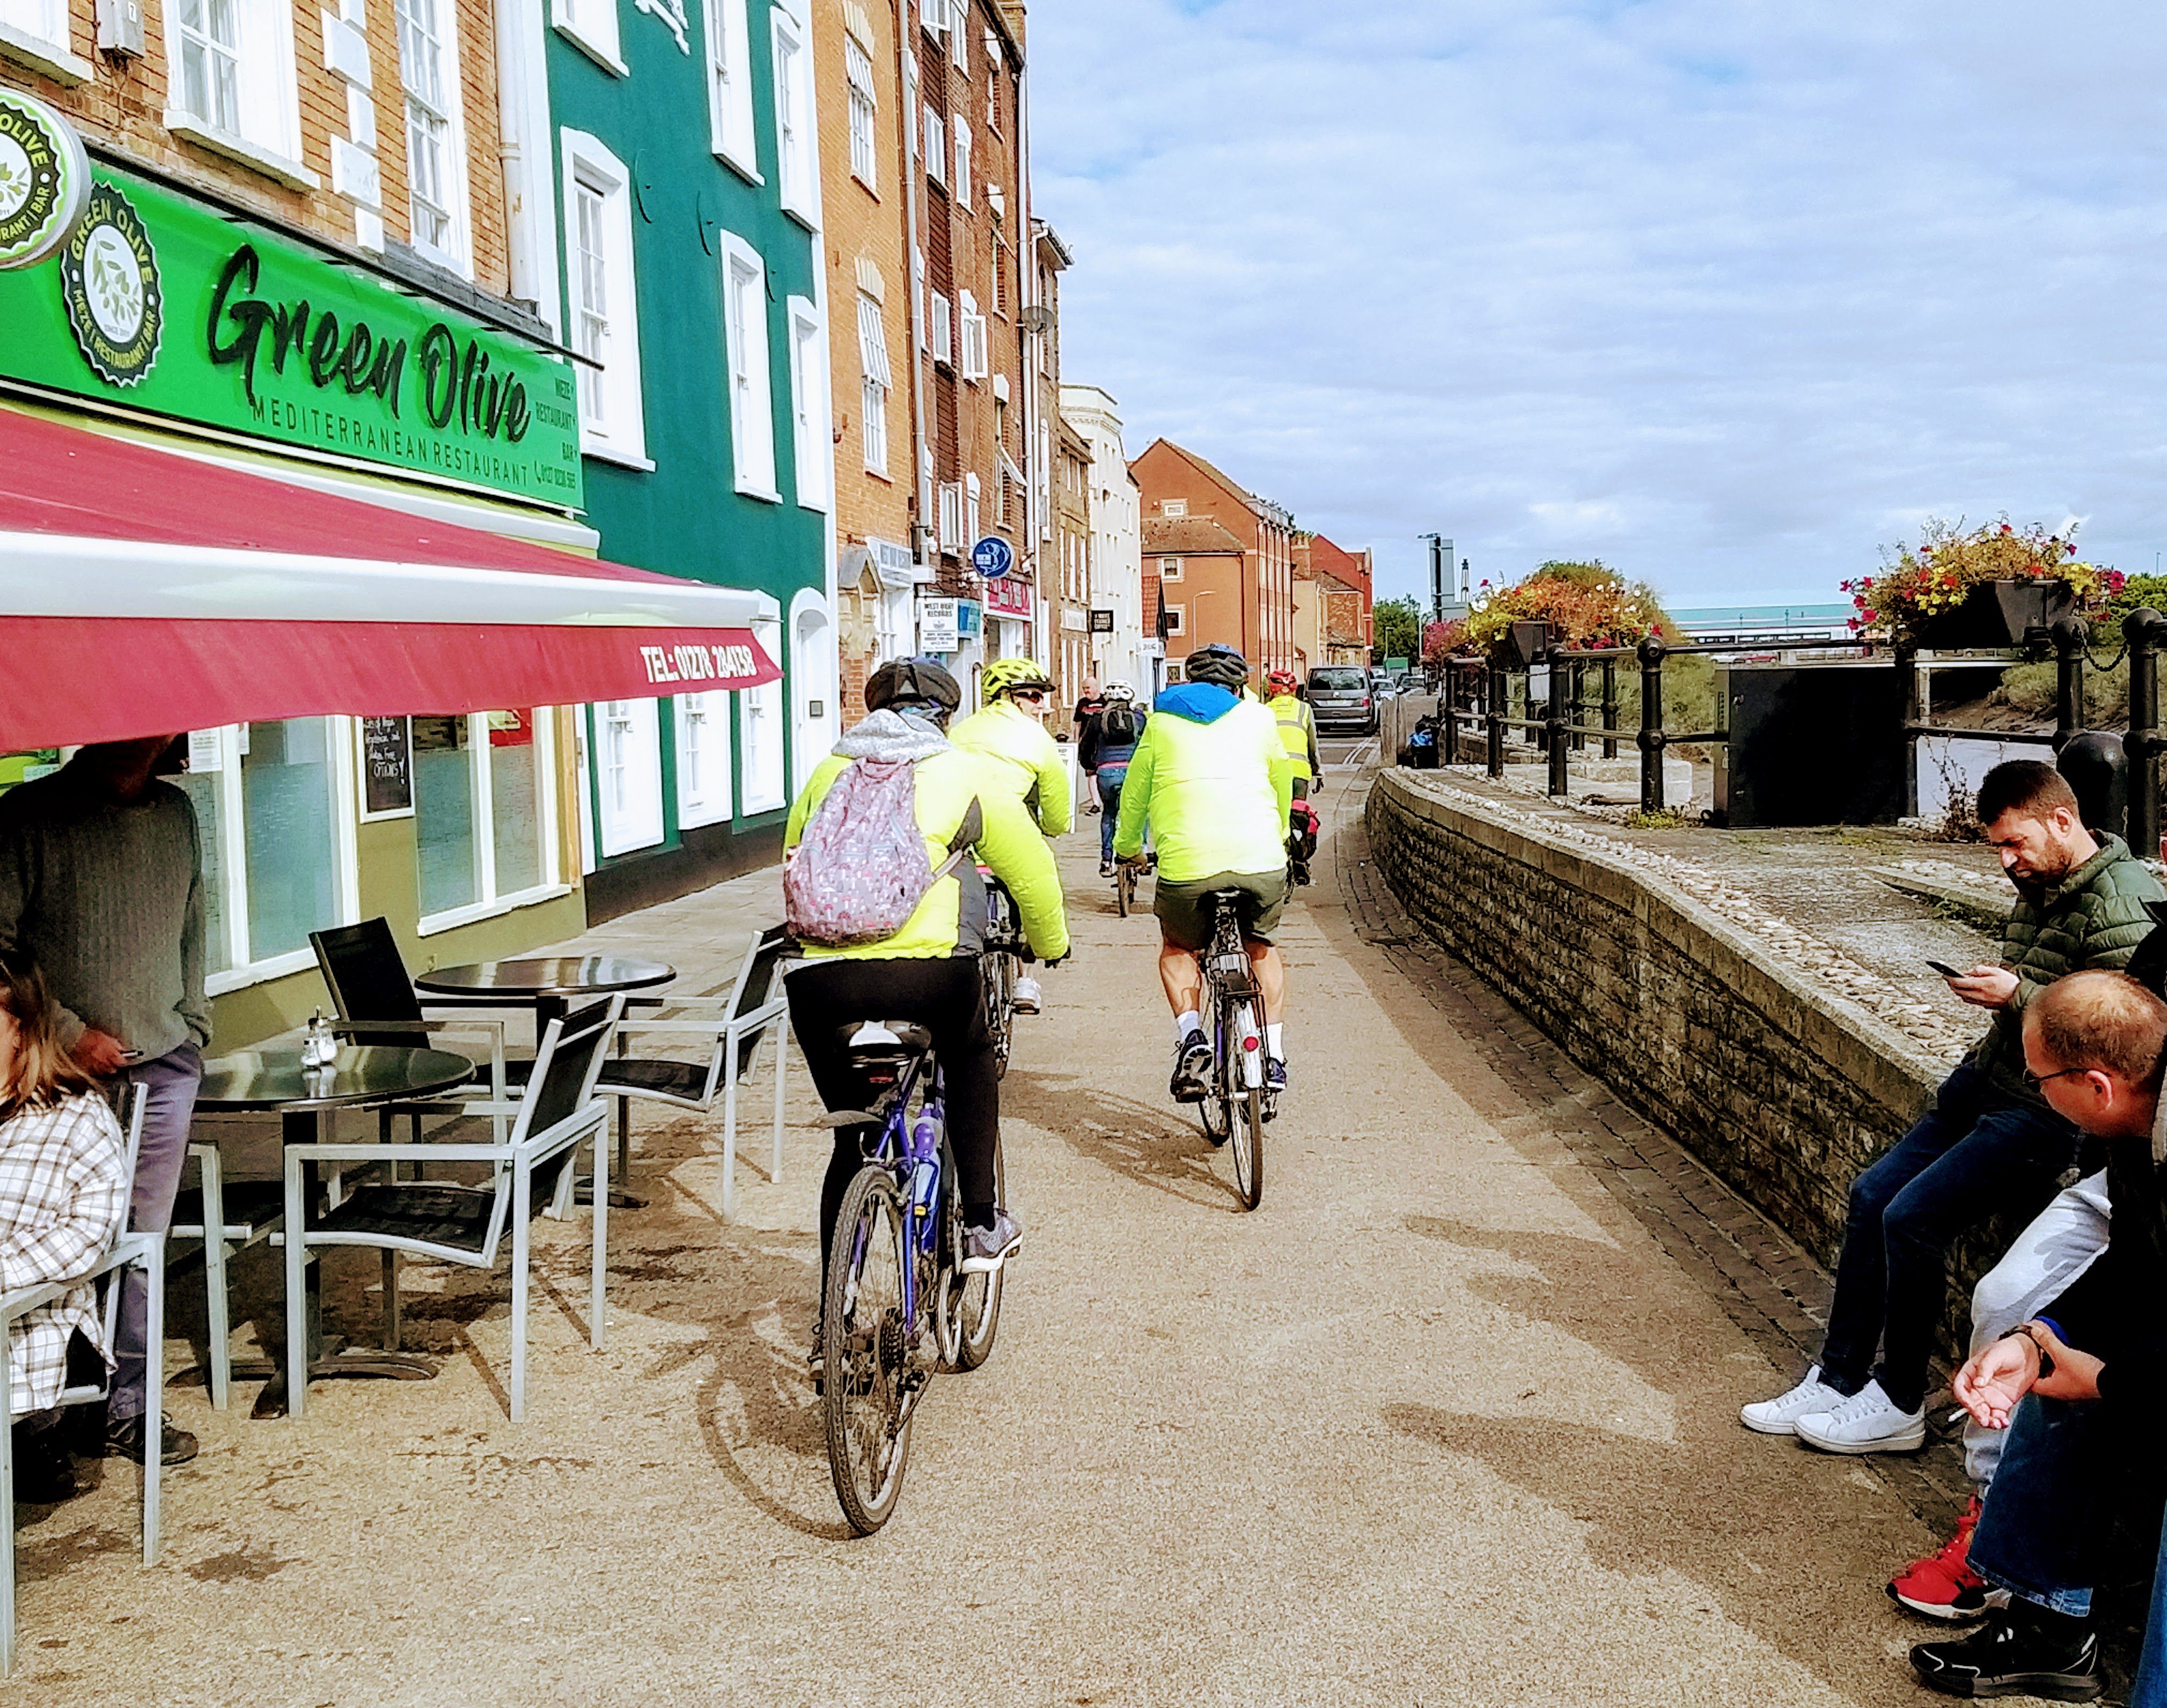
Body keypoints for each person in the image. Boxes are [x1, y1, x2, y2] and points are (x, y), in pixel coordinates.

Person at [1740, 760, 2161, 1454]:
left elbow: (2118, 1037)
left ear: (2061, 820)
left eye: (2012, 843)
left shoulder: (2119, 904)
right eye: (1995, 847)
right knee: (1870, 1194)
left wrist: (2015, 996)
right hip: (1986, 1081)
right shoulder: (2043, 879)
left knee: (1910, 1219)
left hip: (2041, 1111)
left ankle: (1898, 1400)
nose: (2005, 861)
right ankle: (1837, 1376)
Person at [783, 658, 1068, 1366]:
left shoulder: (826, 773)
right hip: (928, 977)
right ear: (945, 717)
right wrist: (1050, 944)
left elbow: (792, 858)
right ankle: (978, 1224)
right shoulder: (959, 771)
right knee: (970, 1057)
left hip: (822, 982)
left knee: (852, 1143)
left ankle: (832, 1327)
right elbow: (1029, 865)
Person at [1904, 970, 2167, 1700]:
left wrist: (2112, 1382)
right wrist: (2034, 1338)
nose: (2031, 1088)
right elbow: (2134, 1268)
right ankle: (2046, 1629)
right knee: (2056, 1376)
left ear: (2094, 1083)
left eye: (2037, 1077)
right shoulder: (2133, 1121)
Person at [0, 736, 207, 1468]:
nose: (143, 734)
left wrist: (194, 1026)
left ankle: (128, 1406)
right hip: (55, 1076)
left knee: (140, 1248)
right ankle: (35, 1423)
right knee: (46, 1242)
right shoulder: (27, 817)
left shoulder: (176, 814)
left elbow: (191, 926)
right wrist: (65, 1034)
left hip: (166, 1067)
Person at [1111, 644, 1295, 1100]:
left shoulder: (1159, 723)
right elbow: (1281, 780)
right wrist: (1282, 832)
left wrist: (1127, 850)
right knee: (1260, 948)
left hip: (1188, 866)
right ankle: (1272, 1057)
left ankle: (1192, 1036)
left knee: (1178, 947)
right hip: (1260, 860)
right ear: (1239, 687)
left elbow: (1134, 795)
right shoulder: (1259, 718)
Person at [0, 948, 130, 1505]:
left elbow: (87, 1235)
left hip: (37, 1319)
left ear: (22, 1031)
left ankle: (32, 1435)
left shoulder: (77, 1118)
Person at [949, 657, 1073, 1016]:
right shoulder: (1037, 737)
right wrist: (1051, 826)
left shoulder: (959, 730)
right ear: (1008, 696)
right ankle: (1025, 980)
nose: (1041, 705)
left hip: (958, 831)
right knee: (1029, 890)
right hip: (1005, 828)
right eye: (1033, 696)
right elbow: (1055, 802)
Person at [1092, 683, 1145, 877]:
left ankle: (1107, 860)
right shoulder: (1139, 718)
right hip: (1132, 770)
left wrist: (1090, 766)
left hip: (1106, 772)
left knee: (1109, 813)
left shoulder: (1098, 719)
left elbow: (1087, 746)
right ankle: (1142, 852)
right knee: (1139, 812)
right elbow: (1146, 743)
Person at [1264, 669, 1323, 802]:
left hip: (1273, 773)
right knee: (1298, 815)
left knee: (1275, 815)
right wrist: (1317, 771)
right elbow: (1312, 745)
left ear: (1271, 690)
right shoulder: (1304, 709)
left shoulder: (1264, 710)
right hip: (1299, 772)